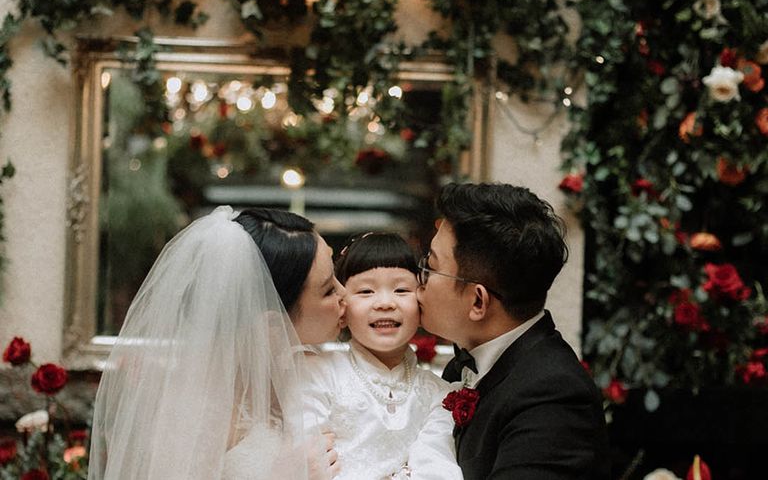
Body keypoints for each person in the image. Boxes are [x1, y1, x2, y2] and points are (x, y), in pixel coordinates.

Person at [88, 206, 345, 480]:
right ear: (271, 326)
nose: (345, 294)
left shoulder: (314, 371)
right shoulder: (188, 417)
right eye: (329, 289)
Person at [416, 183, 609, 480]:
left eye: (430, 265)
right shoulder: (462, 366)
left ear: (477, 301)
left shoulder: (554, 399)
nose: (421, 280)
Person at [301, 232, 463, 480]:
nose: (385, 303)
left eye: (401, 290)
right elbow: (309, 462)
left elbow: (438, 471)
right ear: (342, 308)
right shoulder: (316, 375)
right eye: (366, 292)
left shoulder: (440, 394)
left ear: (421, 301)